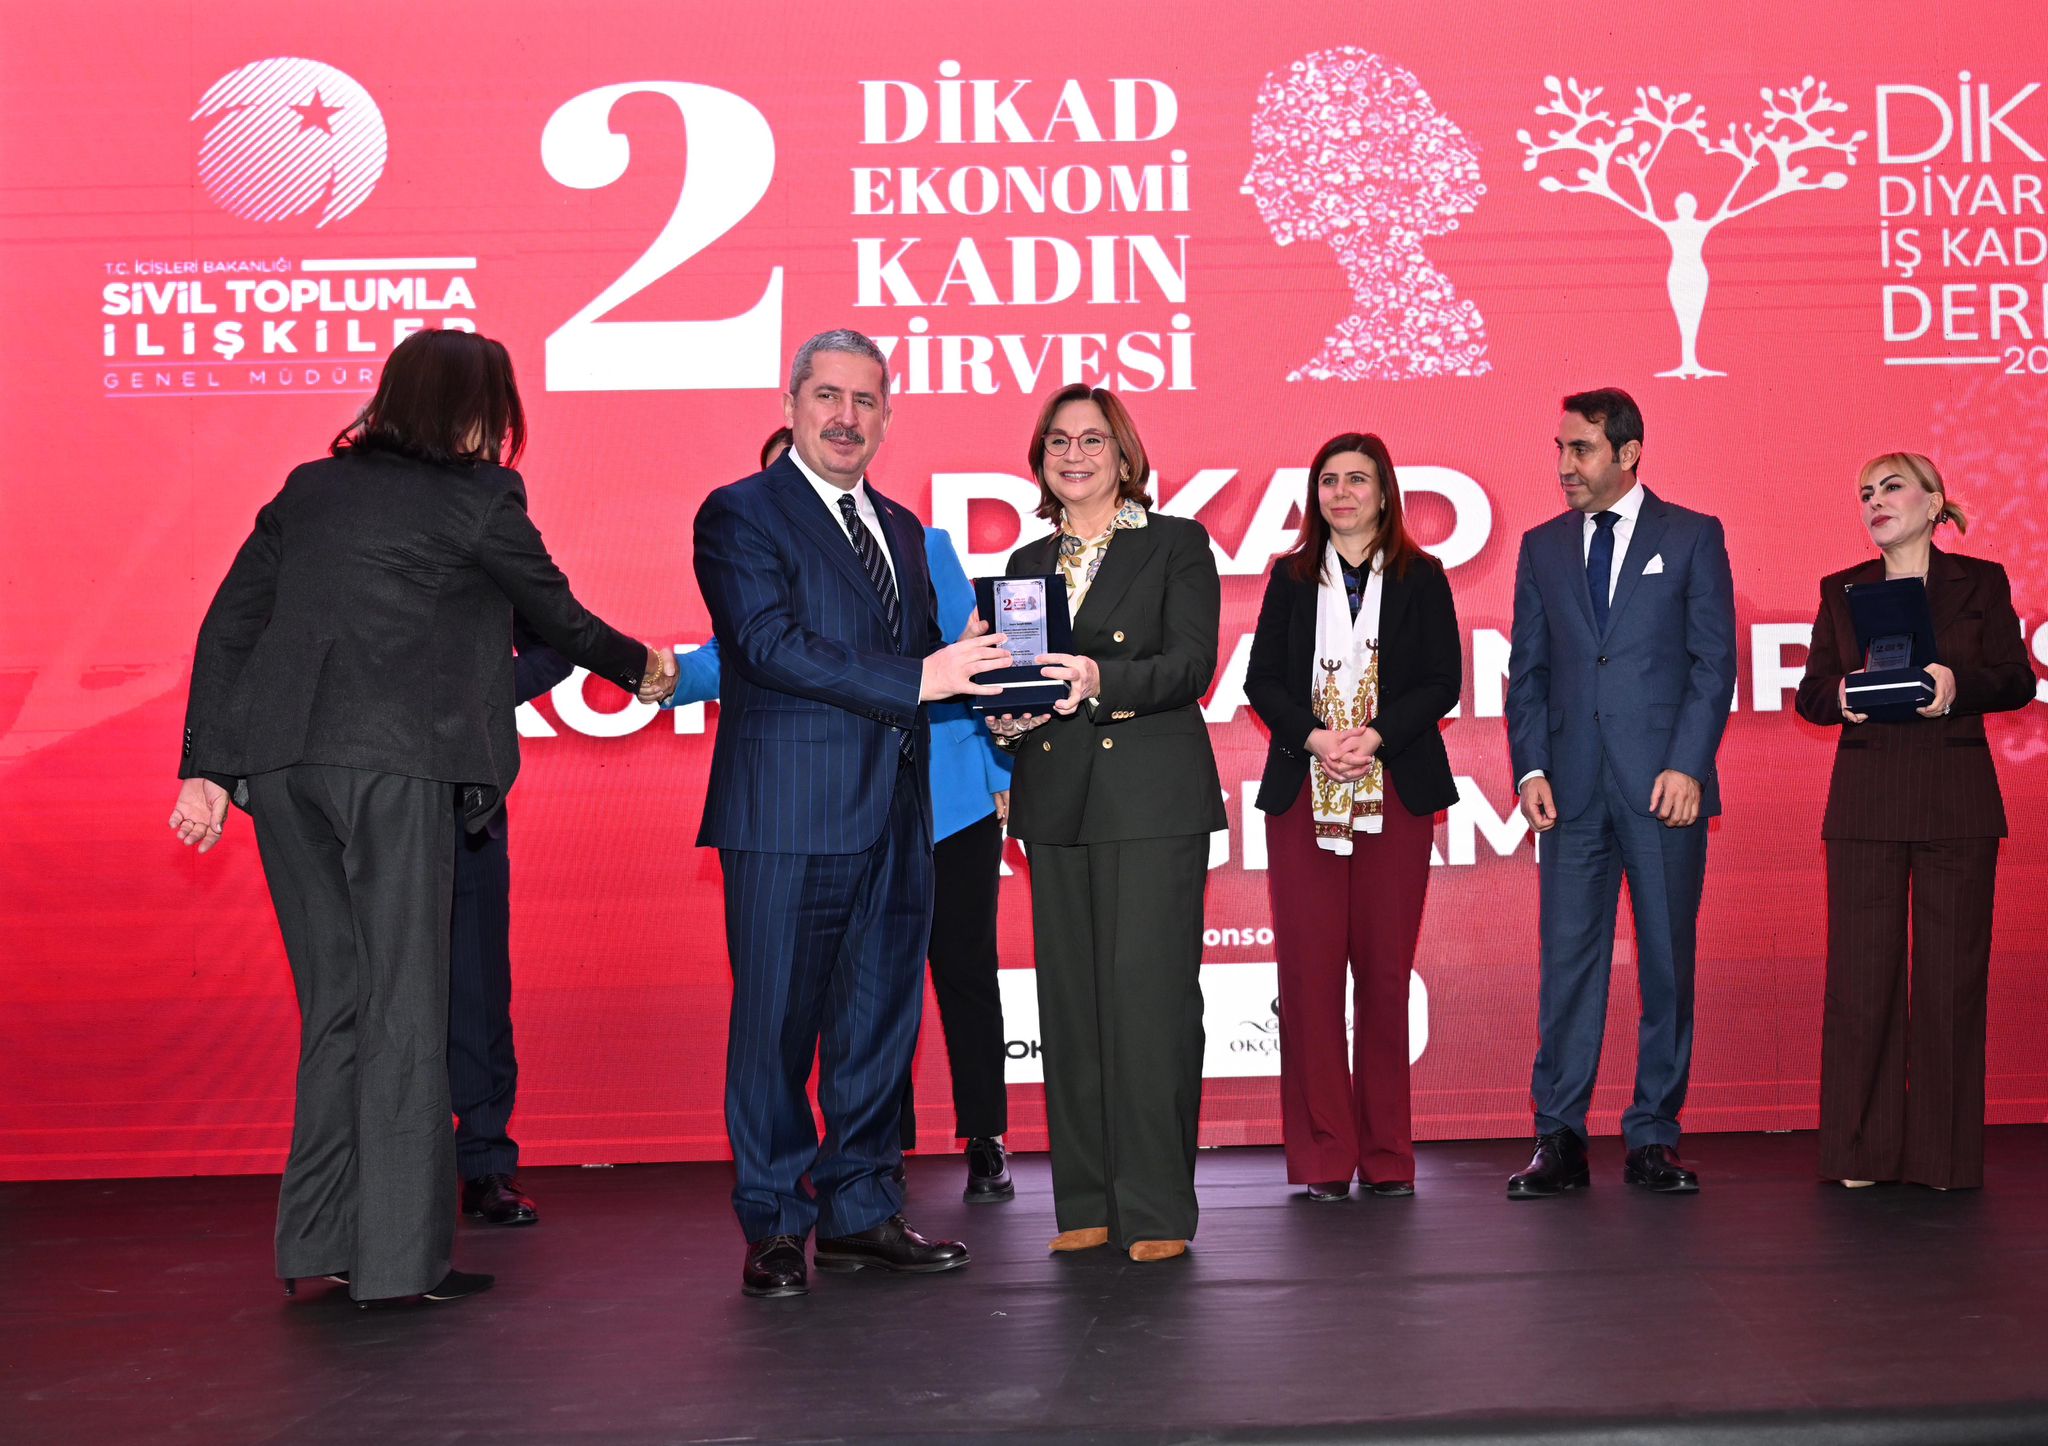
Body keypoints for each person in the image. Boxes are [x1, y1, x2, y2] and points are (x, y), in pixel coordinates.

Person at [169, 328, 677, 1306]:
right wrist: (645, 670)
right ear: (476, 411)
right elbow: (558, 616)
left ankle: (320, 1238)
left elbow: (230, 623)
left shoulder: (311, 489)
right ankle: (402, 1263)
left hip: (281, 772)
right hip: (393, 765)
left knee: (339, 1005)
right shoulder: (481, 498)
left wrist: (207, 768)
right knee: (406, 1006)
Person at [691, 329, 1012, 1299]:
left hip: (898, 818)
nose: (845, 417)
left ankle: (861, 1211)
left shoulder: (905, 530)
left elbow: (932, 666)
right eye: (827, 396)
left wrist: (997, 674)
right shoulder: (740, 513)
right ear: (790, 405)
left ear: (887, 416)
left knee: (878, 1027)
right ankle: (774, 1221)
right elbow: (765, 645)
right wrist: (923, 675)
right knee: (776, 1032)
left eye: (864, 401)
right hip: (786, 818)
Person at [987, 383, 1224, 1262]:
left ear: (1125, 456)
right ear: (1040, 459)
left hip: (1150, 798)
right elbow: (1014, 682)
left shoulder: (1175, 543)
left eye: (1092, 440)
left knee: (1149, 1002)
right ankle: (1086, 1202)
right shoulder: (1024, 563)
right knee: (1072, 1007)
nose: (1074, 455)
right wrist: (1006, 717)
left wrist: (1098, 680)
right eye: (1059, 441)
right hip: (1057, 799)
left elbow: (1190, 666)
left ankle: (1155, 1208)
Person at [1503, 387, 1736, 1197]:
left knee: (1667, 963)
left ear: (1628, 453)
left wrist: (1688, 764)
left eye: (1582, 449)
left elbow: (1714, 663)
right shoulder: (1542, 546)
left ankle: (1653, 1137)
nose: (1565, 465)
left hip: (1665, 787)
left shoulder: (1693, 535)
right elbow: (1527, 671)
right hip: (1569, 792)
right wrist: (1530, 768)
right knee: (1568, 964)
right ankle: (1559, 1137)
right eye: (1561, 449)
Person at [1793, 453, 2034, 1191]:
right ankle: (1860, 1152)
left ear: (1933, 505)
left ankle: (1942, 1158)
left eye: (1892, 487)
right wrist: (1844, 696)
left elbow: (2016, 680)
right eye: (1866, 491)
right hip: (1866, 800)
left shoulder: (1981, 582)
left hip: (1957, 799)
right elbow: (1811, 693)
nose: (1875, 500)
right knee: (1862, 984)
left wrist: (1958, 686)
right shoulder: (1841, 589)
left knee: (1950, 985)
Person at [1246, 433, 1461, 1201]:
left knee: (1384, 975)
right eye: (1329, 481)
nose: (1341, 493)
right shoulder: (1289, 577)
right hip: (1304, 791)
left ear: (1384, 492)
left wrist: (1375, 737)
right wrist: (1316, 738)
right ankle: (1324, 1159)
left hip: (1394, 789)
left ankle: (1388, 1155)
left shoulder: (1422, 577)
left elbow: (1442, 681)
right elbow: (1261, 680)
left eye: (1357, 480)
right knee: (1308, 980)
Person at [447, 619, 572, 1228]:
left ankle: (485, 1165)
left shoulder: (488, 558)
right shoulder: (333, 559)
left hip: (466, 811)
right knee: (371, 997)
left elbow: (555, 648)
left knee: (479, 995)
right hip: (359, 807)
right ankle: (383, 1172)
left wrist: (471, 696)